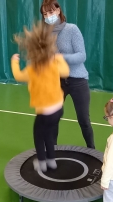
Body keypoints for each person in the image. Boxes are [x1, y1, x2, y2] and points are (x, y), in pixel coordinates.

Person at [11, 21, 69, 172]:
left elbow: (18, 76)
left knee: (38, 135)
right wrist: (59, 58)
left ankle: (42, 163)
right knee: (49, 134)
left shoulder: (32, 69)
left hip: (44, 112)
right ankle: (52, 161)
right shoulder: (54, 63)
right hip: (58, 109)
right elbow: (66, 72)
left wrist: (14, 62)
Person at [40, 0, 95, 149]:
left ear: (58, 11)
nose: (48, 16)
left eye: (50, 12)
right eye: (45, 14)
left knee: (84, 120)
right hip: (57, 81)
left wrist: (61, 58)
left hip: (78, 81)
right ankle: (53, 150)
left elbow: (82, 56)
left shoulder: (72, 29)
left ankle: (92, 151)